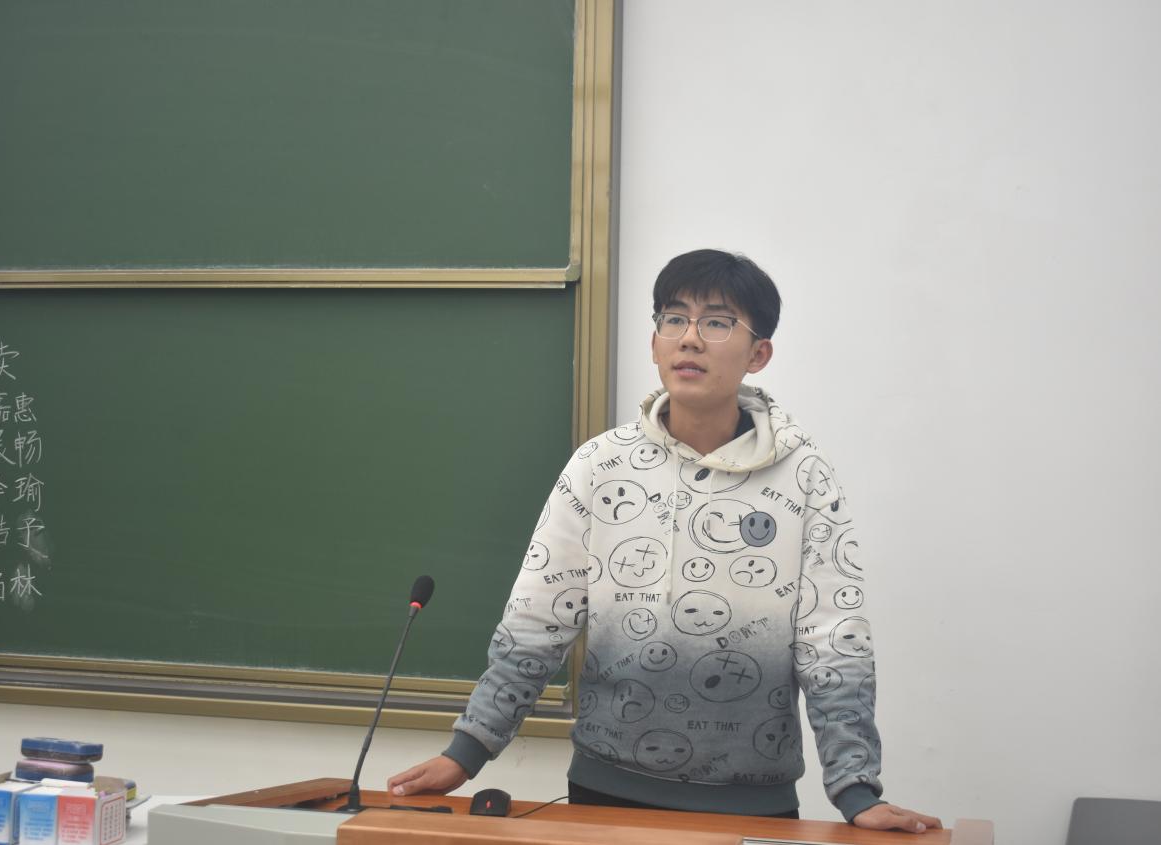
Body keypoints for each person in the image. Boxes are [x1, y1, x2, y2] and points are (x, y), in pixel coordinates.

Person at [388, 249, 940, 833]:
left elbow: (833, 641)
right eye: (674, 319)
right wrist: (468, 751)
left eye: (717, 322)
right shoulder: (601, 466)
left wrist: (856, 790)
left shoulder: (804, 477)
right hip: (603, 791)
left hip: (752, 803)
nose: (690, 338)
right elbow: (537, 620)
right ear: (655, 343)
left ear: (759, 354)